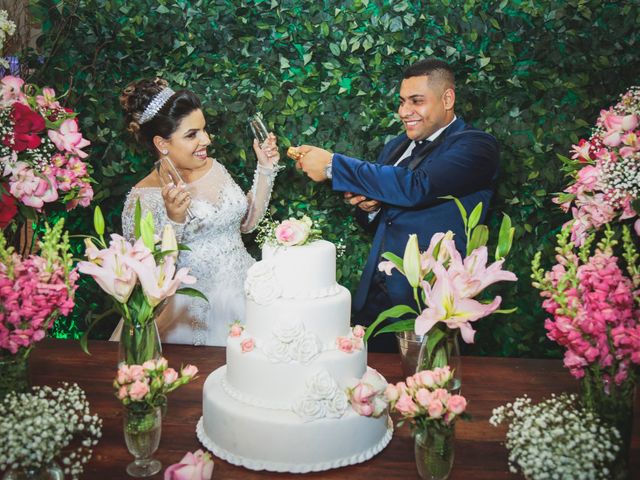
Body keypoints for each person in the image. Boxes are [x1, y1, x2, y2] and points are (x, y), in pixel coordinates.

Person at [294, 59, 499, 352]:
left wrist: (332, 166)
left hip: (430, 302)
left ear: (447, 99)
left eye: (417, 101)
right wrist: (371, 207)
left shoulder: (477, 146)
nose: (404, 112)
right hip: (376, 300)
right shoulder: (396, 146)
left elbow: (418, 186)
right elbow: (389, 207)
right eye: (402, 102)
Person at [116, 78, 280, 346]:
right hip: (194, 313)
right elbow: (147, 278)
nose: (206, 140)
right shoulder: (142, 198)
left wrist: (265, 169)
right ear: (162, 143)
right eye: (192, 134)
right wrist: (174, 219)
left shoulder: (214, 167)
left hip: (248, 293)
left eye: (203, 130)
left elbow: (245, 223)